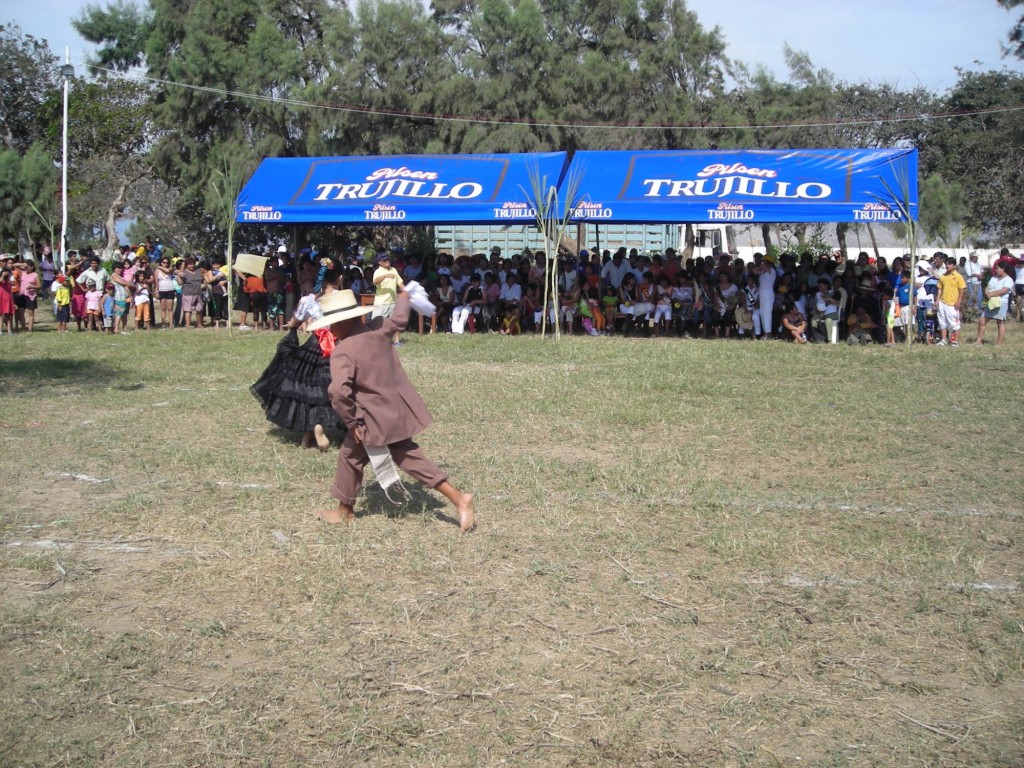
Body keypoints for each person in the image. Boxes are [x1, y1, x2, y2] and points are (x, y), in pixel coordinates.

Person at [309, 288, 475, 532]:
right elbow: (399, 319)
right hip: (396, 410)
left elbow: (338, 392)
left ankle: (459, 499)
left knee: (406, 458)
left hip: (373, 420)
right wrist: (404, 298)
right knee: (351, 456)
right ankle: (345, 509)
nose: (330, 331)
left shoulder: (343, 352)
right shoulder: (379, 329)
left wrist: (353, 423)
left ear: (344, 322)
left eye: (332, 324)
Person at [251, 258, 340, 450]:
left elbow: (295, 322)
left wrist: (291, 326)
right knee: (332, 390)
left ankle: (307, 437)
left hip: (313, 346)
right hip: (337, 348)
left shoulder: (308, 300)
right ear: (339, 279)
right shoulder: (343, 297)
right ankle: (320, 427)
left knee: (309, 391)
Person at [973, 259, 1014, 346]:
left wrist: (991, 294)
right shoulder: (993, 278)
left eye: (997, 268)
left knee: (1000, 323)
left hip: (1001, 303)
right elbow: (988, 287)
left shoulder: (1009, 280)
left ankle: (999, 344)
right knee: (982, 321)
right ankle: (978, 341)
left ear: (1003, 269)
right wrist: (986, 292)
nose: (996, 270)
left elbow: (1003, 291)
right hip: (990, 303)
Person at [372, 252, 404, 345]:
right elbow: (375, 282)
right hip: (381, 303)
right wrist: (385, 275)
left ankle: (397, 341)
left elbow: (400, 283)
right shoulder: (377, 272)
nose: (387, 261)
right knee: (377, 324)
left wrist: (406, 291)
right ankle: (376, 342)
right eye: (384, 260)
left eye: (388, 259)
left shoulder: (393, 269)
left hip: (393, 302)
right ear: (379, 262)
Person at [935, 256, 966, 347]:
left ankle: (955, 341)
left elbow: (962, 289)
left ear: (954, 265)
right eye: (947, 264)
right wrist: (937, 301)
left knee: (954, 323)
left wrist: (959, 301)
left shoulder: (958, 276)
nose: (948, 266)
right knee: (942, 322)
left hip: (952, 303)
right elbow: (940, 289)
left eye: (949, 264)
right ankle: (944, 339)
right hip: (942, 302)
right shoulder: (943, 276)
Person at [17, 260, 40, 332]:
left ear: (32, 267)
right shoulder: (23, 272)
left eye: (27, 266)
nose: (26, 268)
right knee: (20, 312)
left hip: (31, 296)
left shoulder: (35, 275)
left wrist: (32, 287)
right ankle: (23, 328)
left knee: (30, 313)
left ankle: (30, 328)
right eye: (25, 267)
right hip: (22, 295)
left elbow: (39, 285)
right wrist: (23, 264)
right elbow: (14, 265)